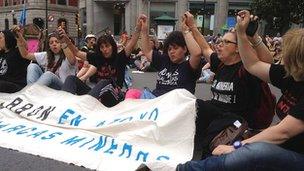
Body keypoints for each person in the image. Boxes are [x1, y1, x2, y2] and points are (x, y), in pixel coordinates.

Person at [176, 10, 304, 171]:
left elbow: (283, 131)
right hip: (222, 119)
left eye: (225, 42)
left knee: (254, 151)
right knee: (193, 105)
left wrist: (236, 146)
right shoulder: (293, 75)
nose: (219, 45)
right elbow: (253, 64)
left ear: (297, 59)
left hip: (239, 125)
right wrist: (243, 33)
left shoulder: (244, 71)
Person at [182, 11, 274, 157]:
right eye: (219, 41)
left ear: (238, 48)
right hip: (216, 117)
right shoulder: (221, 64)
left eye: (226, 42)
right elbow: (205, 48)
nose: (219, 45)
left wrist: (252, 37)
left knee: (199, 108)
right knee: (187, 103)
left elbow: (269, 64)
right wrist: (192, 27)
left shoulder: (248, 69)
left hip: (236, 124)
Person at [60, 15, 144, 107]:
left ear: (112, 46)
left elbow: (131, 44)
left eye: (107, 46)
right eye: (102, 47)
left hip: (114, 96)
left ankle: (84, 106)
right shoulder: (97, 57)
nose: (105, 49)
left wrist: (138, 28)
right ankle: (63, 105)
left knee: (105, 82)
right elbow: (77, 53)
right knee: (71, 79)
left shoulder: (120, 57)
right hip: (97, 94)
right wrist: (66, 39)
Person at [137, 14, 202, 97]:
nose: (171, 51)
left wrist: (186, 31)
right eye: (169, 49)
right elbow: (147, 51)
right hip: (157, 100)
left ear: (185, 49)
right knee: (132, 94)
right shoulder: (164, 60)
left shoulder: (189, 66)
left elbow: (196, 54)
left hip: (177, 104)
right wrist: (144, 30)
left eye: (175, 48)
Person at [14, 26, 77, 90]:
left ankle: (31, 92)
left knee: (48, 74)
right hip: (47, 88)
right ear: (49, 46)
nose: (54, 44)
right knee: (32, 66)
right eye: (51, 43)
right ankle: (31, 91)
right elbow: (25, 55)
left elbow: (72, 60)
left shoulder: (68, 55)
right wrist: (18, 38)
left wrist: (63, 42)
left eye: (57, 42)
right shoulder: (46, 55)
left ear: (61, 44)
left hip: (63, 89)